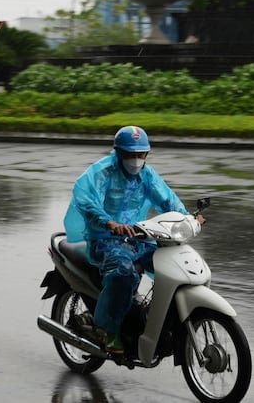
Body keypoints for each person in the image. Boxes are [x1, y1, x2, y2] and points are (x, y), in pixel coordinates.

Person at [63, 125, 201, 355]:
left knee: (172, 264)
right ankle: (109, 330)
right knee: (124, 272)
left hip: (137, 236)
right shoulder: (102, 172)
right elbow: (86, 200)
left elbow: (167, 199)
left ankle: (155, 319)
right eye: (130, 154)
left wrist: (188, 217)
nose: (136, 160)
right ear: (118, 152)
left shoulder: (146, 174)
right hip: (105, 239)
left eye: (141, 154)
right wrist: (109, 223)